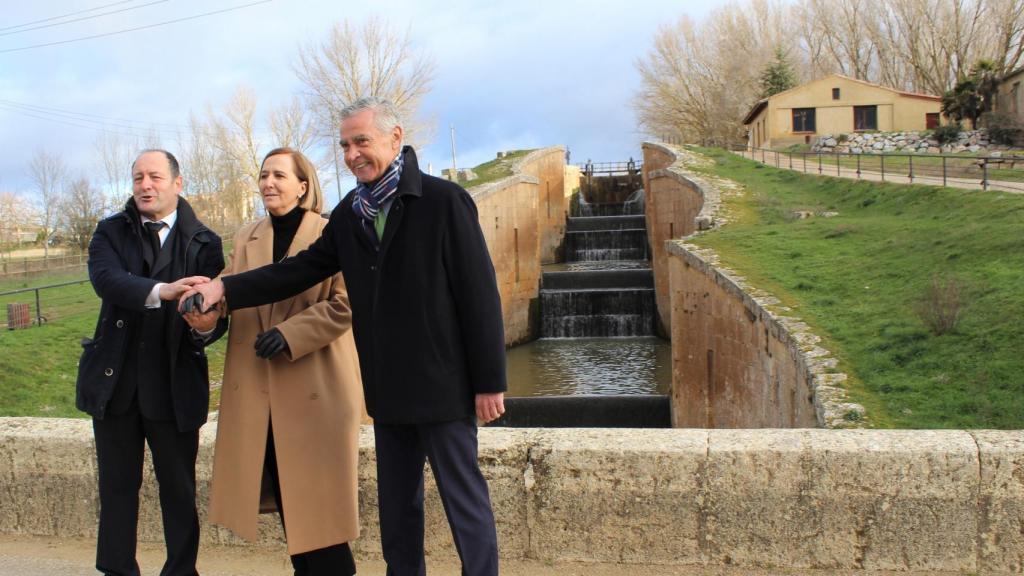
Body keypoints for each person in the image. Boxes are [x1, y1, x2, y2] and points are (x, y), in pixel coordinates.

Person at [182, 96, 507, 576]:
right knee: (399, 509)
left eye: (362, 141)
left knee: (464, 501)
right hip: (387, 389)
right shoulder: (351, 212)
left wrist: (489, 382)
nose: (353, 153)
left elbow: (480, 295)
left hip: (445, 385)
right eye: (345, 145)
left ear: (395, 139)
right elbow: (296, 271)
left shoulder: (443, 201)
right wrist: (222, 287)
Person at [196, 148, 363, 575]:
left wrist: (290, 334)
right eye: (264, 174)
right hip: (261, 394)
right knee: (293, 508)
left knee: (321, 513)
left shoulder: (332, 232)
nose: (268, 182)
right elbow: (230, 289)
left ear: (303, 185)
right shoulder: (246, 235)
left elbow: (347, 304)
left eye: (279, 175)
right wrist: (204, 310)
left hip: (316, 390)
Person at [75, 149, 226, 576]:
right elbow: (107, 281)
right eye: (138, 177)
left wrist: (203, 325)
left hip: (173, 385)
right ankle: (118, 570)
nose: (145, 185)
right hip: (115, 383)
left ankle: (181, 570)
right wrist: (164, 290)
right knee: (117, 487)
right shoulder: (110, 232)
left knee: (179, 490)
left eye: (155, 176)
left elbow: (217, 320)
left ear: (178, 184)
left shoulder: (206, 242)